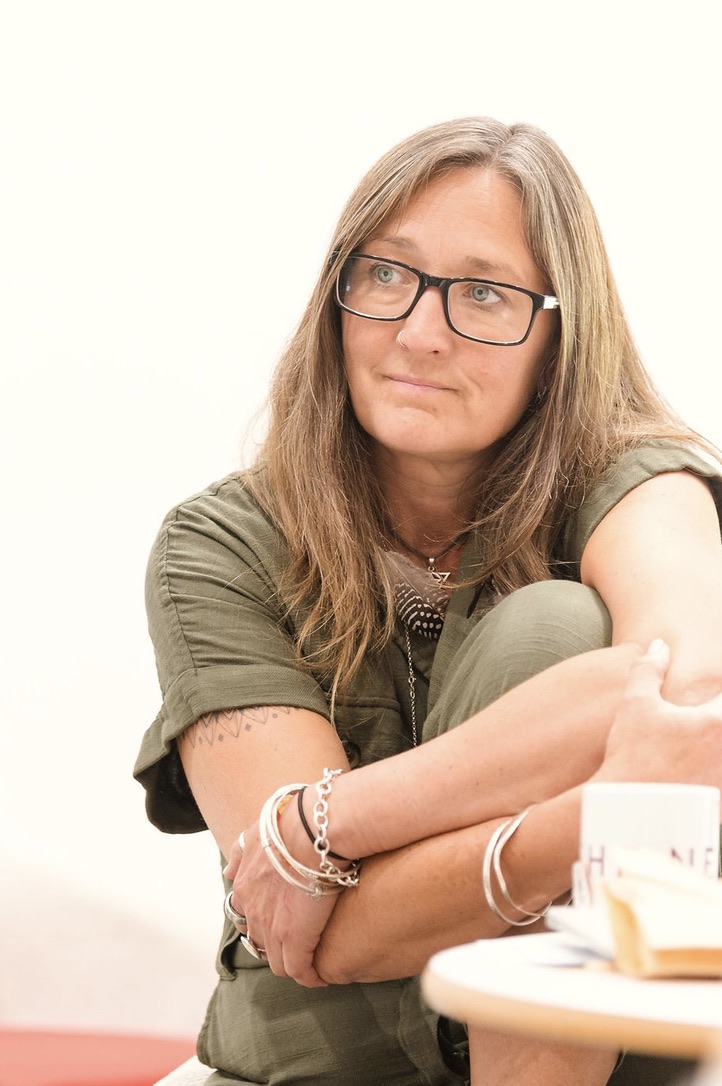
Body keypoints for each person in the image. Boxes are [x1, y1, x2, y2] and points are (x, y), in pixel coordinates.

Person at [134, 116, 722, 1086]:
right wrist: (590, 814)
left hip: (607, 1027)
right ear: (337, 293)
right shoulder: (220, 543)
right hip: (328, 1039)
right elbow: (324, 938)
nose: (418, 332)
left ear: (558, 333)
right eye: (386, 276)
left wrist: (322, 824)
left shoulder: (632, 481)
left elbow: (693, 693)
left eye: (483, 295)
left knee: (551, 625)